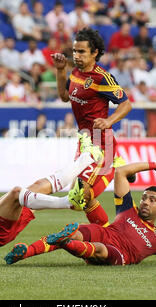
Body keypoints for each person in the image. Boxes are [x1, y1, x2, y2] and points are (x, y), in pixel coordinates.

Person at [5, 161, 156, 266]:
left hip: (119, 254)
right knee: (78, 232)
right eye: (145, 198)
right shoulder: (127, 209)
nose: (146, 203)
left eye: (152, 200)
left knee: (98, 249)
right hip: (106, 231)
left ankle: (66, 241)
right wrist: (152, 164)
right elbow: (120, 173)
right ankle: (26, 252)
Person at [51, 27, 133, 227]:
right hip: (85, 141)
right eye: (74, 51)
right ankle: (108, 234)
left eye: (81, 52)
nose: (76, 56)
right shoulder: (76, 72)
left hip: (101, 142)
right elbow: (64, 97)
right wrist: (61, 70)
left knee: (81, 196)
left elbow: (126, 104)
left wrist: (108, 121)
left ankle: (113, 165)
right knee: (78, 197)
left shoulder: (101, 78)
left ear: (95, 52)